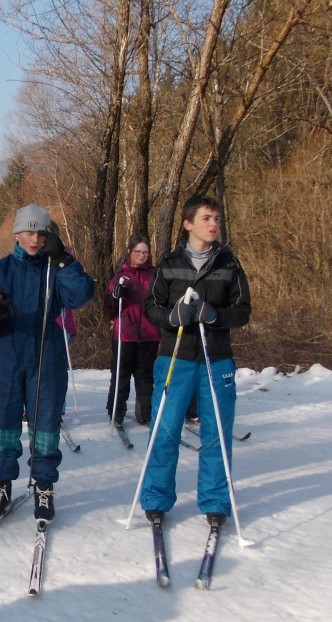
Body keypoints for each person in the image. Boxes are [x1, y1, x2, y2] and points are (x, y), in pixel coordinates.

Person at [0, 204, 94, 525]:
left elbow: (80, 295)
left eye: (41, 232)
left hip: (46, 353)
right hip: (7, 356)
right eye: (28, 231)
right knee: (3, 423)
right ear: (16, 234)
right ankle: (2, 485)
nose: (35, 238)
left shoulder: (56, 267)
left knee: (46, 423)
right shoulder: (1, 270)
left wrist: (66, 259)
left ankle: (44, 485)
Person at [139, 194, 252, 527]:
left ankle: (215, 501)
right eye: (206, 218)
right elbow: (151, 306)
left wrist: (214, 315)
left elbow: (243, 311)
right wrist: (173, 316)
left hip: (215, 359)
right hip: (176, 357)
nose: (214, 224)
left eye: (216, 218)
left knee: (216, 432)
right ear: (188, 224)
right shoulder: (170, 263)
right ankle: (156, 498)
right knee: (165, 430)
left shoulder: (229, 264)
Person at [104, 235, 160, 426]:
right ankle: (116, 413)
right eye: (138, 252)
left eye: (145, 252)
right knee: (121, 375)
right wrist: (115, 296)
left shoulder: (154, 274)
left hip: (149, 333)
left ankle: (146, 414)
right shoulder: (121, 275)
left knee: (145, 376)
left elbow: (162, 298)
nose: (142, 255)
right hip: (125, 334)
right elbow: (109, 307)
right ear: (130, 252)